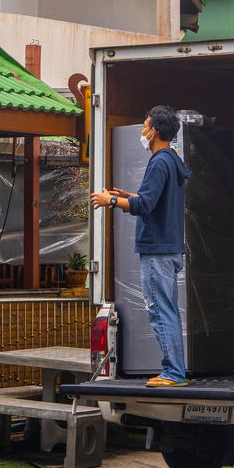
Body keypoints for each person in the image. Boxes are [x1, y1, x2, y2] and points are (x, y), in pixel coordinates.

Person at [91, 105, 191, 387]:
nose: (143, 132)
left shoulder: (160, 161)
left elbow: (145, 205)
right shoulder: (171, 160)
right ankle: (175, 370)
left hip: (157, 250)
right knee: (166, 309)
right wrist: (127, 195)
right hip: (168, 248)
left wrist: (109, 201)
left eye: (146, 126)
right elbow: (151, 199)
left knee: (161, 311)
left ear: (155, 131)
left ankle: (173, 372)